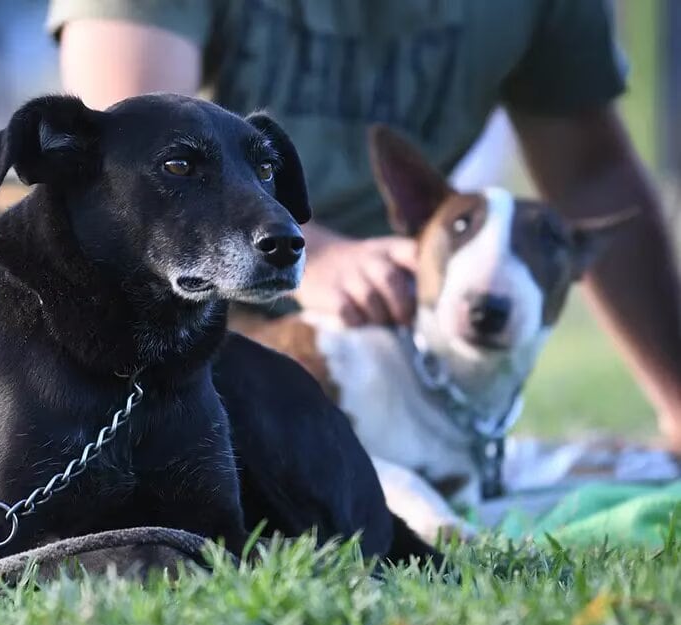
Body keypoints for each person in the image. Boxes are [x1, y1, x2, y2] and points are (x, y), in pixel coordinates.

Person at [46, 0, 681, 448]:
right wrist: (314, 256)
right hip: (113, 276)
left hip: (367, 317)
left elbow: (590, 174)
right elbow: (126, 147)